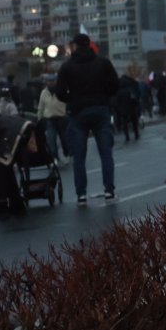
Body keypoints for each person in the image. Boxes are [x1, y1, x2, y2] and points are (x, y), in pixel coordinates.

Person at [54, 32, 119, 204]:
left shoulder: (67, 67)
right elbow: (114, 85)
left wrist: (72, 100)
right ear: (89, 45)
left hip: (78, 113)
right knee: (106, 153)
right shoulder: (103, 63)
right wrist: (103, 96)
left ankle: (81, 195)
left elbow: (59, 92)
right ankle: (109, 191)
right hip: (100, 109)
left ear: (75, 46)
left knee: (79, 156)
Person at [36, 78, 70, 163]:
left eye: (53, 80)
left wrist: (69, 112)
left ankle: (67, 153)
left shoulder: (62, 90)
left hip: (62, 117)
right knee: (51, 138)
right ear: (46, 82)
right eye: (49, 81)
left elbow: (68, 101)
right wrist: (39, 118)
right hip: (49, 119)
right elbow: (41, 106)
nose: (51, 82)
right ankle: (54, 157)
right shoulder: (44, 92)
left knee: (65, 138)